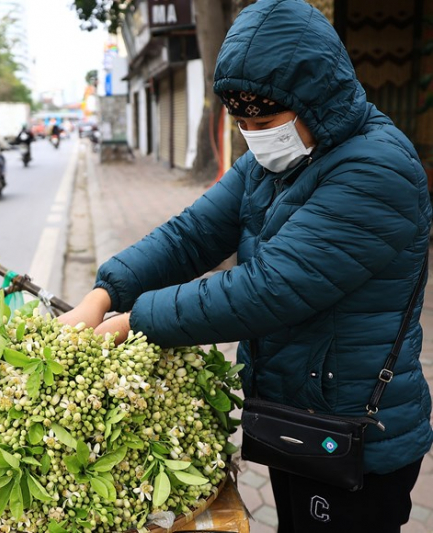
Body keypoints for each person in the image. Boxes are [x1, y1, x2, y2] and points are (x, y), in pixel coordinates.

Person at [59, 1, 432, 532]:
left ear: (316, 100)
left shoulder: (378, 168)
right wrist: (102, 295)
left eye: (264, 121)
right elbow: (190, 236)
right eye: (242, 123)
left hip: (357, 436)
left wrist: (132, 322)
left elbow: (267, 289)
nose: (254, 135)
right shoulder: (271, 162)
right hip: (297, 419)